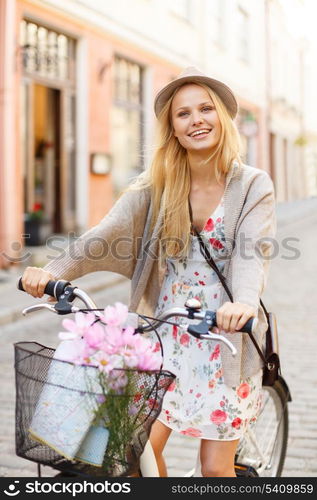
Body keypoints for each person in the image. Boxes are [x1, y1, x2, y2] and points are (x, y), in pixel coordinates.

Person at [21, 66, 276, 477]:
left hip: (224, 335)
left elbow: (251, 253)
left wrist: (243, 303)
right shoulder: (156, 184)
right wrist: (51, 270)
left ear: (223, 119)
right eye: (183, 114)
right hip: (163, 333)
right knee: (128, 450)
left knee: (214, 470)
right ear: (172, 129)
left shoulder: (251, 184)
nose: (197, 120)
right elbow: (106, 234)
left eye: (205, 109)